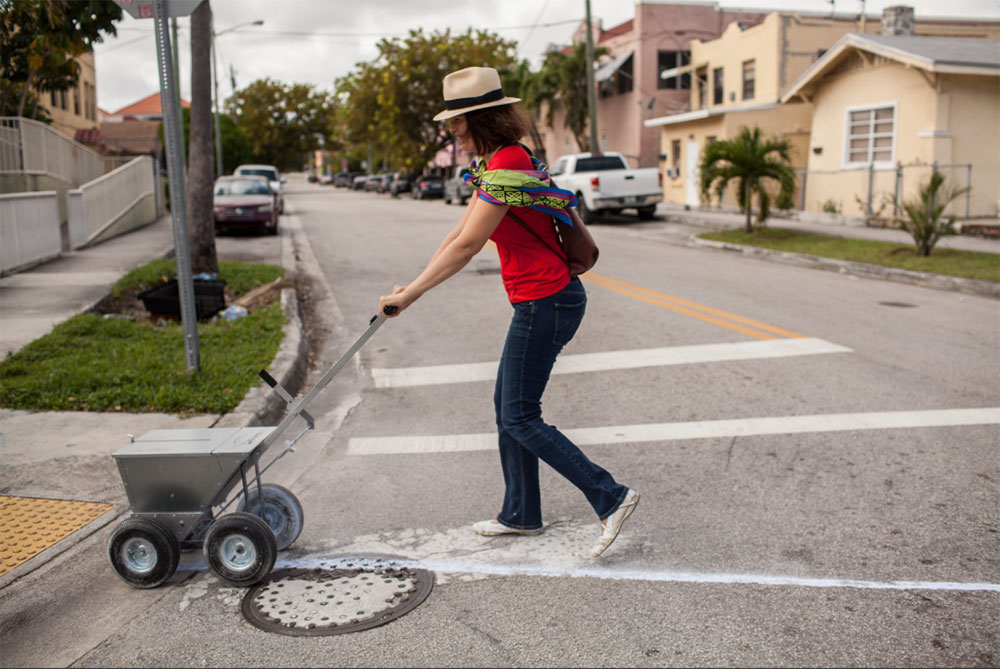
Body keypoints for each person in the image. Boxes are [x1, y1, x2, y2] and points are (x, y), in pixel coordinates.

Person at [379, 66, 639, 558]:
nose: (451, 129)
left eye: (457, 120)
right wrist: (409, 287)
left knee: (519, 414)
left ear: (482, 118)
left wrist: (410, 298)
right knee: (508, 408)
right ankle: (521, 514)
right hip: (542, 300)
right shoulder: (498, 163)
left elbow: (470, 246)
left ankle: (611, 496)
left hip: (549, 301)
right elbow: (456, 236)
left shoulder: (510, 165)